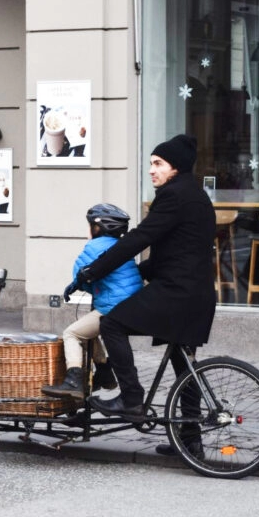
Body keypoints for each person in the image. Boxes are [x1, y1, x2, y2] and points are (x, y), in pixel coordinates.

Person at [75, 134, 215, 456]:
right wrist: (140, 272)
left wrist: (96, 269)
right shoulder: (196, 196)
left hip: (176, 294)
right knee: (184, 364)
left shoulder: (174, 196)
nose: (151, 170)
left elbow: (139, 238)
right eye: (151, 163)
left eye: (158, 164)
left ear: (175, 168)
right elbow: (177, 252)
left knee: (111, 324)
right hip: (196, 294)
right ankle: (191, 440)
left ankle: (131, 399)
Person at [40, 204, 142, 399]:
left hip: (113, 308)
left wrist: (76, 285)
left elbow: (82, 278)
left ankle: (73, 381)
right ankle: (105, 374)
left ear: (97, 228)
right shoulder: (119, 246)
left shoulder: (94, 247)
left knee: (71, 334)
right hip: (131, 305)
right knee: (89, 332)